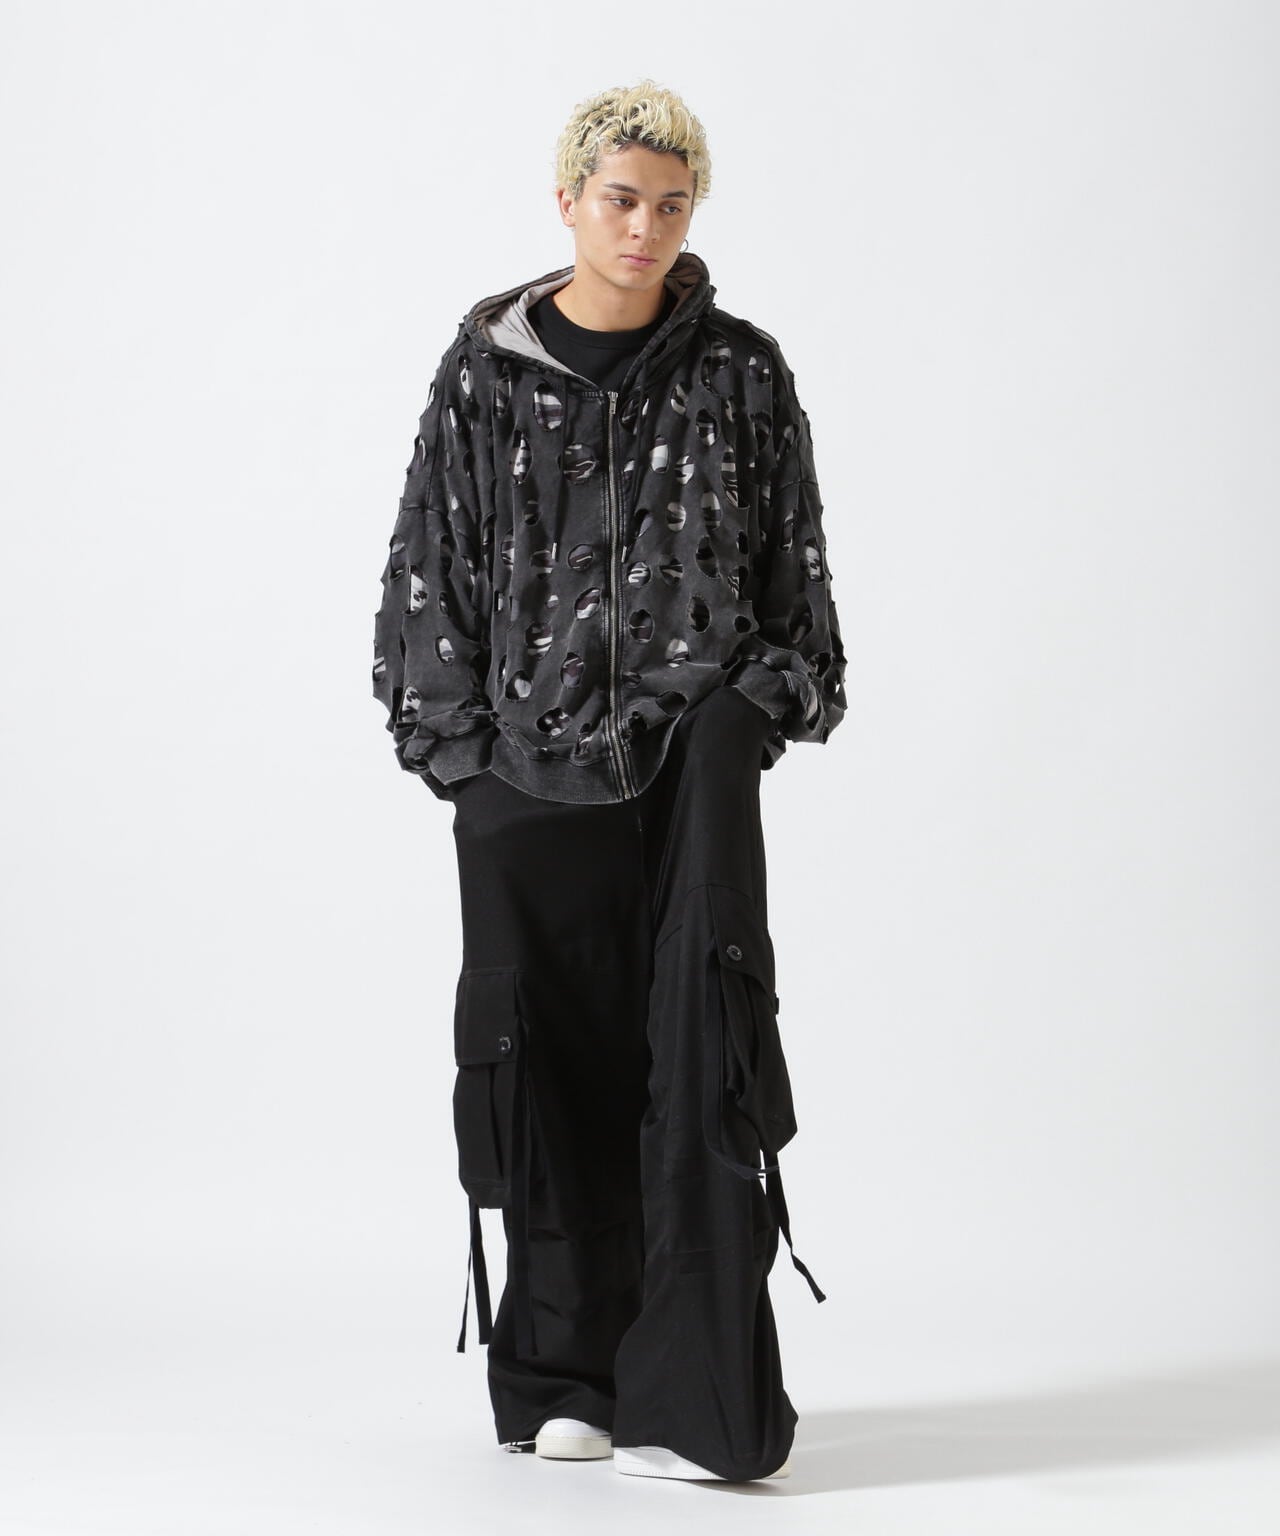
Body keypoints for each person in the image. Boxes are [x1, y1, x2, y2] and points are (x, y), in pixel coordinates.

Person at [371, 78, 847, 1483]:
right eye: (621, 199)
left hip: (691, 765)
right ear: (570, 201)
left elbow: (797, 577)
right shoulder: (486, 373)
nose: (645, 227)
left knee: (696, 1053)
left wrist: (749, 712)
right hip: (526, 768)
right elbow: (426, 563)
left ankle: (690, 1400)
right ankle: (566, 1375)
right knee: (546, 1064)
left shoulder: (742, 372)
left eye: (671, 204)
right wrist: (464, 763)